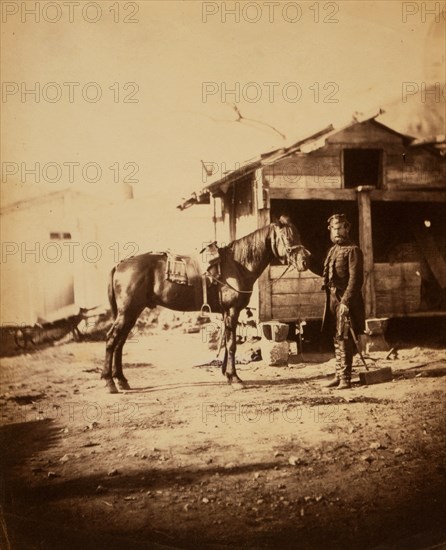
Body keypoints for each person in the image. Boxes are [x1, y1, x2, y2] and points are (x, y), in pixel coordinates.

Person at [321, 214, 365, 389]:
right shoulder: (332, 250)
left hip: (347, 301)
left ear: (347, 229)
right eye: (334, 228)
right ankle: (338, 375)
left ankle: (346, 378)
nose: (337, 231)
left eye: (340, 228)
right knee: (336, 336)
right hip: (332, 300)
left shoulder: (353, 250)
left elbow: (356, 280)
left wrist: (346, 302)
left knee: (344, 336)